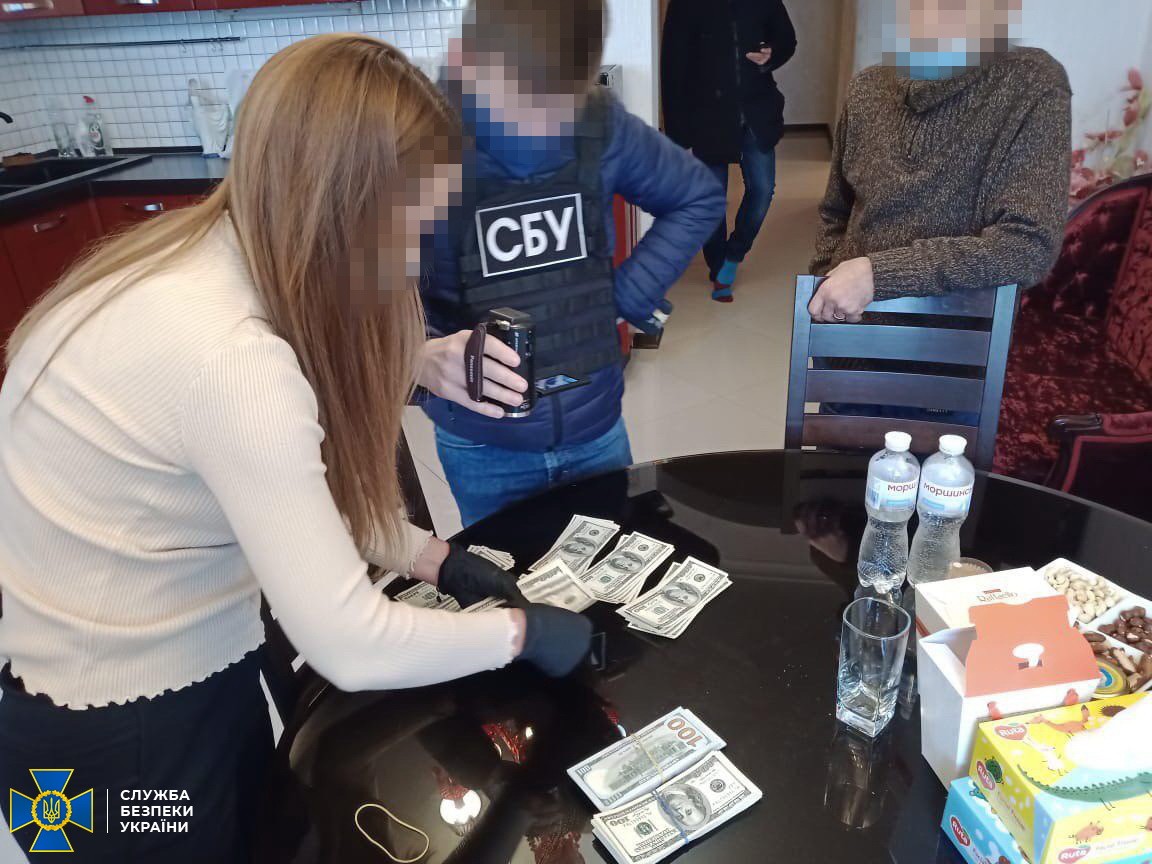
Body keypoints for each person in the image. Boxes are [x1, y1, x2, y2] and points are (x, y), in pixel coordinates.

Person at [0, 36, 591, 864]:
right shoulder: (232, 360)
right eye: (411, 230)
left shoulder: (194, 256)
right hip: (124, 755)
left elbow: (272, 494)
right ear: (347, 214)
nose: (415, 260)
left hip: (76, 704)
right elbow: (352, 645)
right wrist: (521, 634)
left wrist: (431, 559)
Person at [416, 0, 726, 527]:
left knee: (610, 573)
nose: (537, 130)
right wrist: (416, 356)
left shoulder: (598, 120)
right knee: (502, 577)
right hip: (483, 446)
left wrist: (624, 298)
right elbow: (355, 292)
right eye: (517, 102)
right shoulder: (413, 137)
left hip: (596, 430)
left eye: (556, 107)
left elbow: (696, 196)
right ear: (466, 60)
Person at [809, 0, 1071, 324]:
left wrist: (878, 274)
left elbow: (1029, 245)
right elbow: (836, 210)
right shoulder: (866, 87)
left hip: (956, 331)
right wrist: (825, 280)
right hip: (848, 317)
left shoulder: (1032, 83)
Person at [662, 0, 797, 301]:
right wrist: (677, 137)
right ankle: (718, 267)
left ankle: (734, 255)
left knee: (762, 190)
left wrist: (770, 55)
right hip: (706, 117)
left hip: (756, 113)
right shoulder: (685, 5)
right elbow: (673, 67)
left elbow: (786, 39)